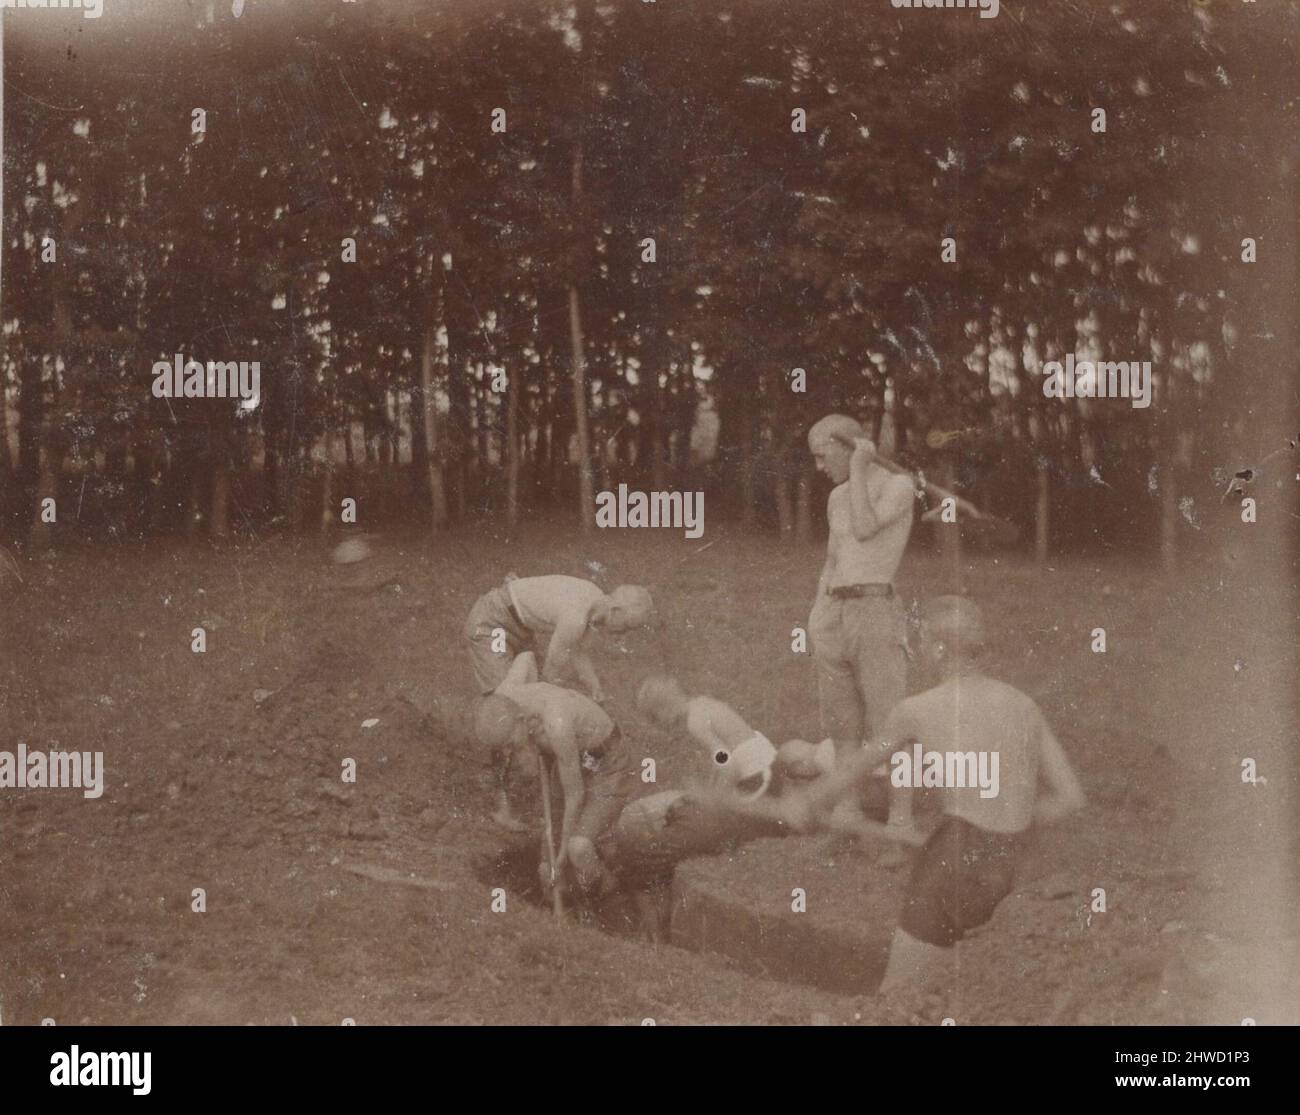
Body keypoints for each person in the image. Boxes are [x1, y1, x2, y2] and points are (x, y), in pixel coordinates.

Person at [779, 596, 1086, 998]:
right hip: (1014, 861)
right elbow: (1070, 798)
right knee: (969, 998)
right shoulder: (1024, 705)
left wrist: (806, 801)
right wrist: (1003, 820)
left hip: (955, 857)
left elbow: (854, 767)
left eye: (922, 642)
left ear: (939, 649)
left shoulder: (916, 709)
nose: (918, 650)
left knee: (896, 997)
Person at [464, 574, 653, 829]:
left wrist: (593, 684)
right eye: (627, 627)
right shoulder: (576, 616)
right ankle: (501, 806)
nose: (623, 635)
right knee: (504, 709)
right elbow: (551, 673)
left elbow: (576, 650)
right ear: (616, 611)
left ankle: (553, 796)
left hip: (519, 626)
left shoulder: (593, 603)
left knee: (531, 704)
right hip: (494, 624)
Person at [806, 414, 917, 842]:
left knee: (889, 724)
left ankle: (900, 822)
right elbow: (833, 559)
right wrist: (817, 615)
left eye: (822, 456)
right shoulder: (836, 498)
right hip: (834, 612)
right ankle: (848, 813)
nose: (819, 467)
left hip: (876, 610)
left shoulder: (898, 487)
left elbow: (866, 529)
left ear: (848, 446)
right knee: (842, 724)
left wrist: (858, 469)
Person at [475, 652, 638, 893]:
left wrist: (562, 854)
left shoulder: (556, 725)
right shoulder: (505, 695)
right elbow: (526, 657)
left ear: (521, 720)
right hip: (574, 756)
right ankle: (561, 900)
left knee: (577, 848)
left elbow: (574, 795)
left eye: (510, 743)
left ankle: (609, 894)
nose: (509, 751)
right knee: (547, 863)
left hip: (607, 763)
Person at [636, 674, 778, 798]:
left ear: (664, 710)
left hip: (757, 776)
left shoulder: (695, 723)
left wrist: (715, 797)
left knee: (717, 811)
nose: (659, 725)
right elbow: (722, 756)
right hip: (770, 759)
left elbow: (730, 766)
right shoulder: (704, 702)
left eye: (655, 718)